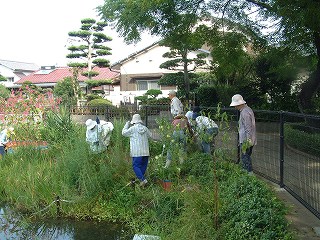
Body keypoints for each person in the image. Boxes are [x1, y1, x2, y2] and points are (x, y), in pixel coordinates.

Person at [122, 114, 152, 187]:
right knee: (143, 166)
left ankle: (143, 180)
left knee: (135, 166)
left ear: (134, 121)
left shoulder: (132, 129)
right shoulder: (145, 128)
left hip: (137, 152)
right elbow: (150, 135)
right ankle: (141, 181)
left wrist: (126, 124)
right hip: (145, 151)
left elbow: (123, 133)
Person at [230, 94, 256, 174]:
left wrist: (247, 141)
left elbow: (248, 128)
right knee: (246, 157)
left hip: (246, 140)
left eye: (236, 105)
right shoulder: (248, 109)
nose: (235, 107)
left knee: (245, 157)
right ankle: (247, 173)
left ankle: (249, 175)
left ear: (240, 104)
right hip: (249, 139)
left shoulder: (245, 112)